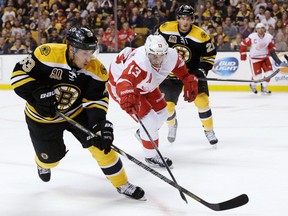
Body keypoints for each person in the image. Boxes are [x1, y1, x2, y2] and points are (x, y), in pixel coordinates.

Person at [10, 26, 145, 201]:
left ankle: (122, 184)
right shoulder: (47, 54)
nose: (89, 58)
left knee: (101, 146)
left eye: (91, 52)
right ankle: (42, 163)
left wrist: (98, 124)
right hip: (43, 117)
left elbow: (96, 100)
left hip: (76, 112)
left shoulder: (96, 70)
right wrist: (38, 94)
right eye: (84, 53)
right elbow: (18, 75)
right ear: (71, 48)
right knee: (50, 160)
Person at [108, 34, 198, 168]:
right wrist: (126, 93)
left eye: (161, 55)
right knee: (149, 119)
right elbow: (124, 81)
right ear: (146, 52)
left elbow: (181, 70)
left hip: (146, 85)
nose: (158, 60)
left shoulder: (172, 55)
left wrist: (187, 79)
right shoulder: (139, 63)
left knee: (163, 112)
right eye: (153, 56)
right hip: (125, 86)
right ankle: (151, 156)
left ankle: (143, 134)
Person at [155, 4, 218, 145]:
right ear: (178, 18)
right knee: (167, 106)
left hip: (192, 75)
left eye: (188, 18)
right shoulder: (165, 30)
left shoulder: (201, 36)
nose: (185, 22)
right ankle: (172, 124)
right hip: (171, 75)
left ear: (192, 20)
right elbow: (153, 47)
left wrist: (197, 74)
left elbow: (209, 57)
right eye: (182, 18)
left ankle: (209, 130)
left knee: (202, 101)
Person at [240, 22, 276, 94]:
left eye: (262, 28)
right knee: (257, 77)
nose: (261, 30)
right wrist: (243, 53)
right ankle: (252, 84)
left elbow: (271, 45)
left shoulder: (269, 37)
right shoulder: (252, 36)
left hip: (265, 58)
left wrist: (272, 50)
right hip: (254, 59)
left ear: (265, 29)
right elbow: (243, 43)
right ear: (256, 30)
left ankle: (264, 87)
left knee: (269, 73)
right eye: (259, 28)